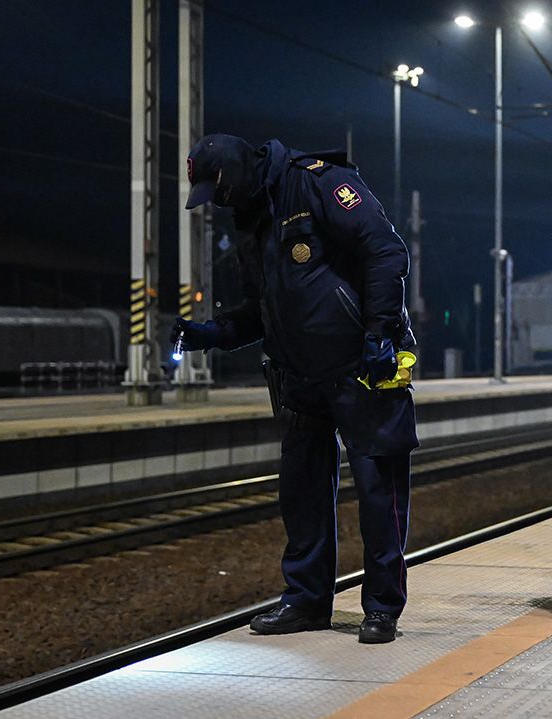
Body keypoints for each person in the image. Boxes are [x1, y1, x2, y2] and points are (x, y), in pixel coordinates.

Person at [176, 134, 418, 644]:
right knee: (302, 493)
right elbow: (261, 310)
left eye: (215, 191)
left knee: (378, 489)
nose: (216, 203)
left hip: (360, 365)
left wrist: (378, 332)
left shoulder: (319, 184)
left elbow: (385, 251)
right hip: (298, 375)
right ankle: (306, 601)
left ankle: (381, 608)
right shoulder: (252, 220)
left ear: (232, 173)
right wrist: (213, 334)